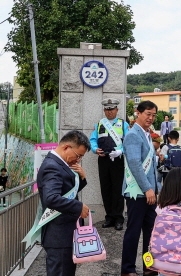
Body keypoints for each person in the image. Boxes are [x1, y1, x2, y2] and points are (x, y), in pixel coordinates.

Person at [37, 130, 91, 276]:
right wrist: (78, 207)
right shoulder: (52, 166)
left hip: (64, 233)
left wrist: (82, 178)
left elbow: (65, 192)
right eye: (78, 155)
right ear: (67, 147)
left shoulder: (59, 164)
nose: (78, 160)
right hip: (59, 236)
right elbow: (51, 198)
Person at [121, 100, 160, 276]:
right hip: (138, 193)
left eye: (153, 115)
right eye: (148, 114)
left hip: (149, 193)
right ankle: (127, 269)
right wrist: (147, 189)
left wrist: (155, 189)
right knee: (134, 232)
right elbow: (135, 163)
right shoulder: (133, 135)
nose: (151, 118)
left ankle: (148, 266)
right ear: (138, 113)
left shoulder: (145, 133)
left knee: (150, 232)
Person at [90, 98, 129, 231]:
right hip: (103, 159)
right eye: (107, 109)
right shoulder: (100, 124)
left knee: (118, 189)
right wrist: (95, 149)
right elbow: (93, 140)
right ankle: (109, 217)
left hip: (118, 160)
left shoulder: (123, 124)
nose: (109, 112)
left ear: (117, 110)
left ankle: (118, 218)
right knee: (105, 188)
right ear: (104, 110)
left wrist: (121, 151)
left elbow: (128, 143)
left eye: (112, 109)